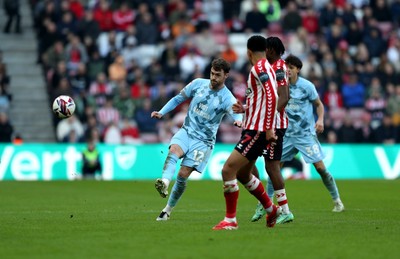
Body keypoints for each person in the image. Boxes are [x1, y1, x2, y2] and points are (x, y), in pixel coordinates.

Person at [151, 58, 243, 221]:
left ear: (226, 76)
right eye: (212, 73)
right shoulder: (198, 84)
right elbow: (178, 98)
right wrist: (162, 112)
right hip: (186, 131)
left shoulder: (227, 97)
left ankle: (167, 210)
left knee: (183, 174)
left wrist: (238, 119)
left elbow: (235, 110)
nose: (214, 78)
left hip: (203, 142)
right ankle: (164, 182)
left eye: (218, 75)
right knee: (173, 151)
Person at [212, 35, 281, 230]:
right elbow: (262, 98)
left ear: (248, 51)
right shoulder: (265, 67)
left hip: (257, 130)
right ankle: (271, 209)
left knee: (227, 170)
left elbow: (272, 96)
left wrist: (268, 128)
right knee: (243, 174)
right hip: (253, 127)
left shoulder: (259, 68)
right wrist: (245, 108)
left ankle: (231, 220)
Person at [279, 54, 344, 212]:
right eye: (286, 67)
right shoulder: (280, 86)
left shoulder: (306, 86)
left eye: (291, 67)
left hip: (305, 135)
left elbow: (319, 104)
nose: (287, 70)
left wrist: (320, 120)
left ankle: (337, 200)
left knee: (320, 168)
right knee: (274, 168)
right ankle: (265, 205)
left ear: (298, 70)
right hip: (286, 135)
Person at [243, 36, 294, 224]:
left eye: (267, 49)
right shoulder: (266, 68)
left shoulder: (279, 68)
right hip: (262, 124)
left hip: (275, 125)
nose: (265, 51)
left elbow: (284, 96)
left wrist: (269, 120)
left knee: (272, 166)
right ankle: (265, 203)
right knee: (249, 163)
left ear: (272, 50)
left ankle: (284, 209)